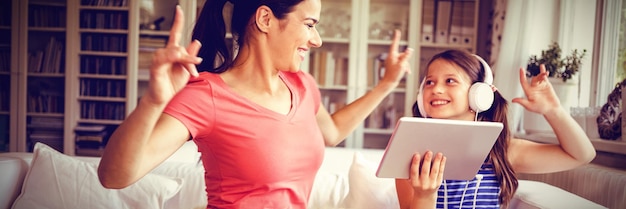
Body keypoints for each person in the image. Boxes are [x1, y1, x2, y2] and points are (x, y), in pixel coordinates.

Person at [97, 0, 413, 208]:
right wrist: (153, 101)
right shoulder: (206, 95)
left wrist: (386, 84)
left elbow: (331, 132)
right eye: (309, 24)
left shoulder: (301, 85)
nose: (316, 40)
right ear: (265, 19)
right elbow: (114, 177)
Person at [395, 49, 596, 209]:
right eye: (429, 82)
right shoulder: (410, 153)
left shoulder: (502, 150)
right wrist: (425, 195)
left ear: (479, 94)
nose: (436, 89)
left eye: (450, 81)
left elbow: (581, 155)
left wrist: (553, 111)